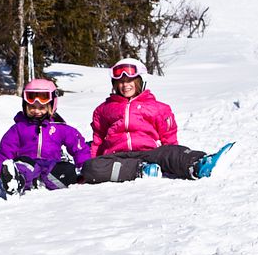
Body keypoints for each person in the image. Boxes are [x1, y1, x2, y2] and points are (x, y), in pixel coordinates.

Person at [81, 58, 233, 184]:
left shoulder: (157, 108)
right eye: (120, 81)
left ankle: (200, 164)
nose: (125, 85)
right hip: (117, 157)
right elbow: (98, 140)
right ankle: (141, 171)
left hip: (149, 152)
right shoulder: (104, 109)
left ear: (140, 80)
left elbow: (169, 138)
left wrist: (173, 160)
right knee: (91, 167)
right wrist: (94, 161)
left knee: (172, 152)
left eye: (130, 80)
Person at [0, 78, 90, 197]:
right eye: (32, 107)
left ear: (52, 106)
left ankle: (47, 181)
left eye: (42, 107)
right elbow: (5, 153)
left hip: (51, 167)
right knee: (21, 167)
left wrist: (85, 167)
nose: (36, 111)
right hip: (28, 165)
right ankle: (15, 181)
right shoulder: (19, 128)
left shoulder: (60, 128)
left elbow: (79, 147)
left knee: (66, 171)